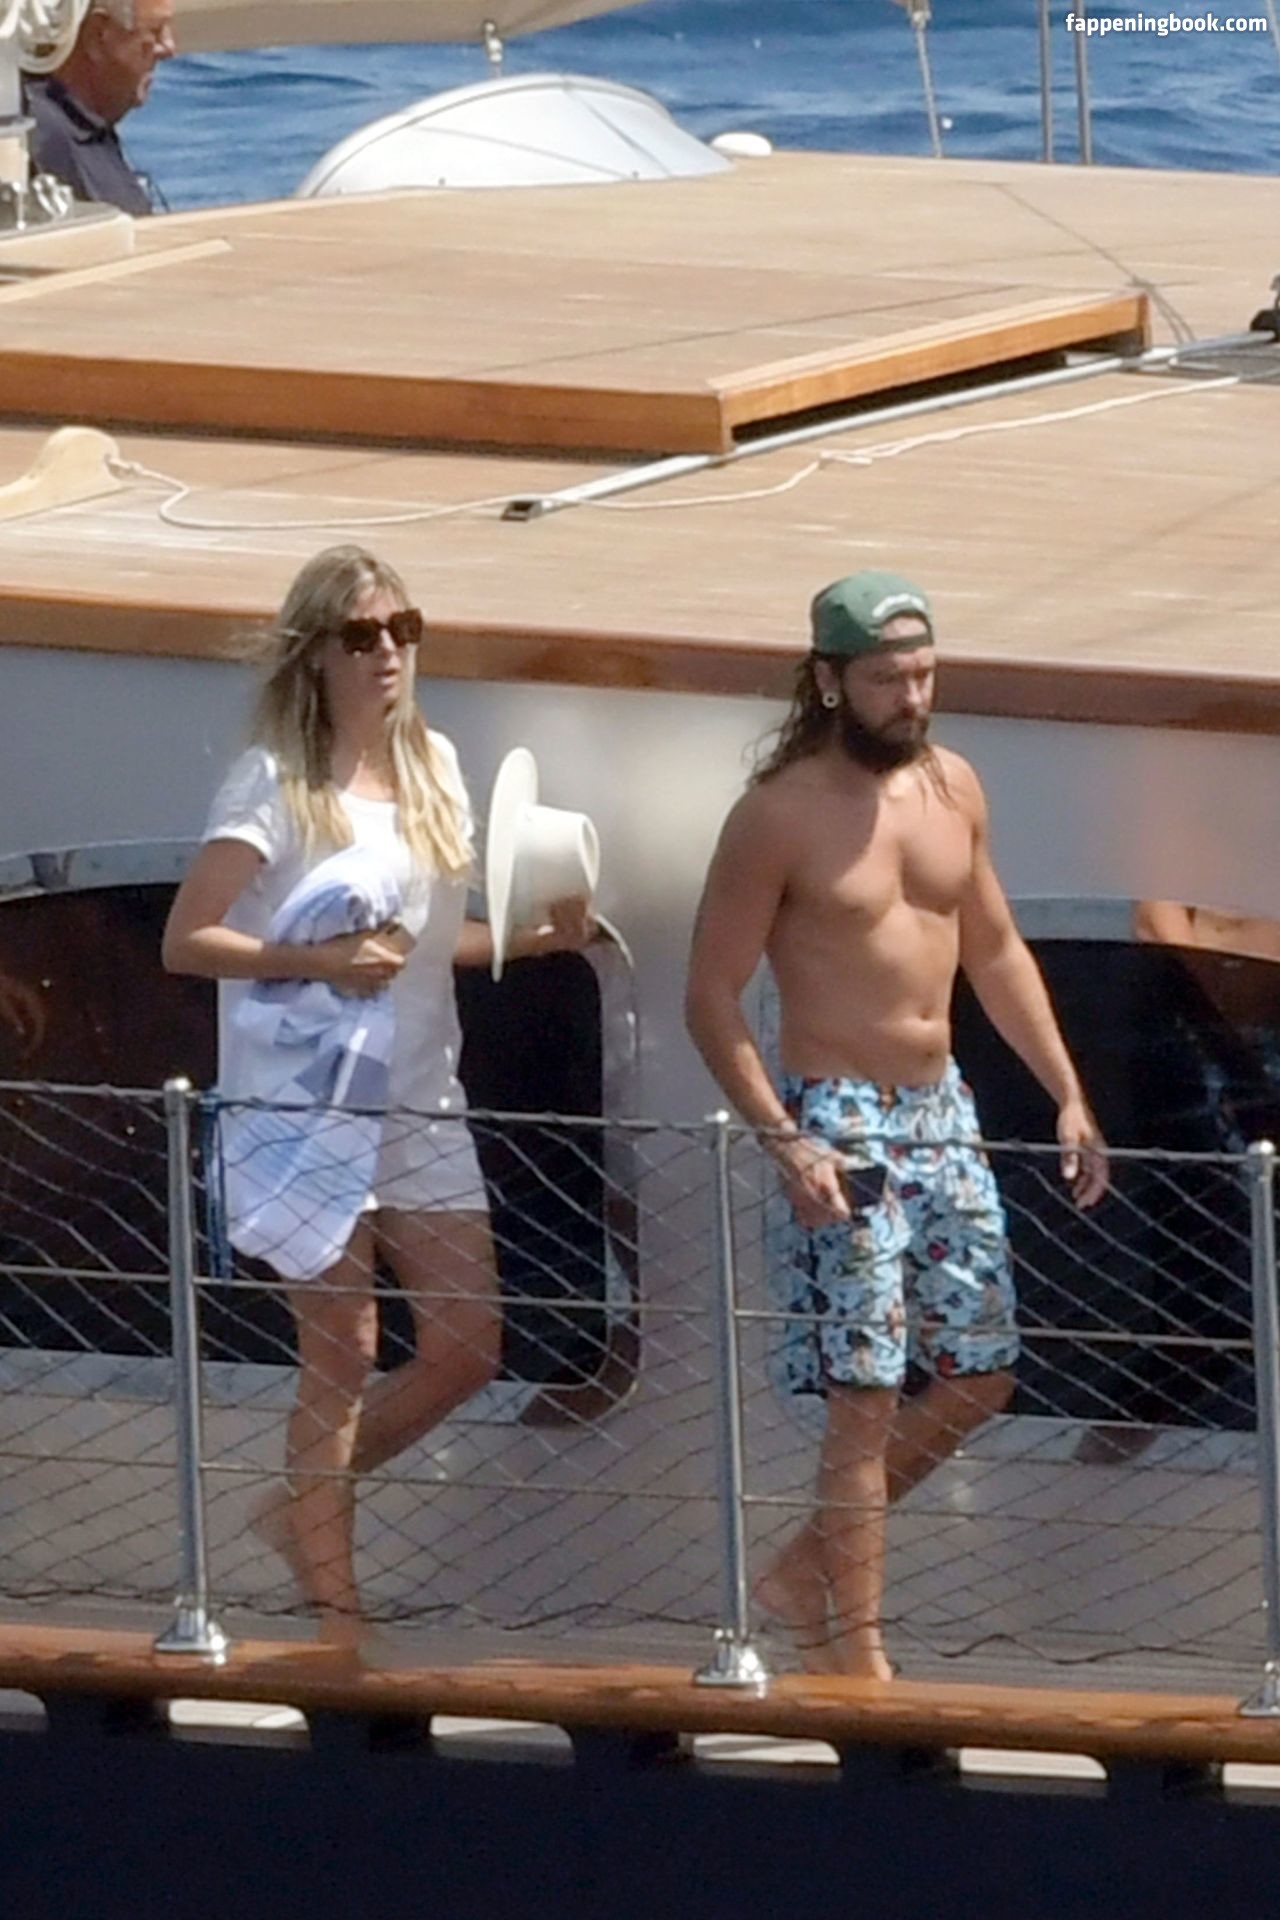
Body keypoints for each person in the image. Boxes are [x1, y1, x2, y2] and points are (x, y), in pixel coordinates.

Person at [685, 569, 1108, 1681]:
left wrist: (1065, 1090)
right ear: (829, 682)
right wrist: (784, 1136)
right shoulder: (777, 815)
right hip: (839, 1116)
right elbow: (710, 995)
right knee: (865, 1394)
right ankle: (858, 1660)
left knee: (982, 1371)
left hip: (941, 1107)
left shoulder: (954, 786)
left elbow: (995, 950)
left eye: (922, 674)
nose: (910, 697)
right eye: (886, 679)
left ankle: (802, 1571)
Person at [163, 544, 591, 1635]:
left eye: (404, 629)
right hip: (301, 1106)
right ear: (315, 654)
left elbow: (421, 947)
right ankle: (335, 1609)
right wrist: (314, 960)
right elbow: (187, 939)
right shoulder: (274, 780)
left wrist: (540, 938)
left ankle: (304, 1506)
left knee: (467, 1346)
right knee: (344, 1348)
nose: (388, 652)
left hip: (418, 1098)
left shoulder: (436, 765)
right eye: (362, 636)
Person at [23, 0, 175, 216]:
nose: (169, 47)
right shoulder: (44, 139)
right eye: (155, 32)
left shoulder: (84, 124)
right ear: (97, 36)